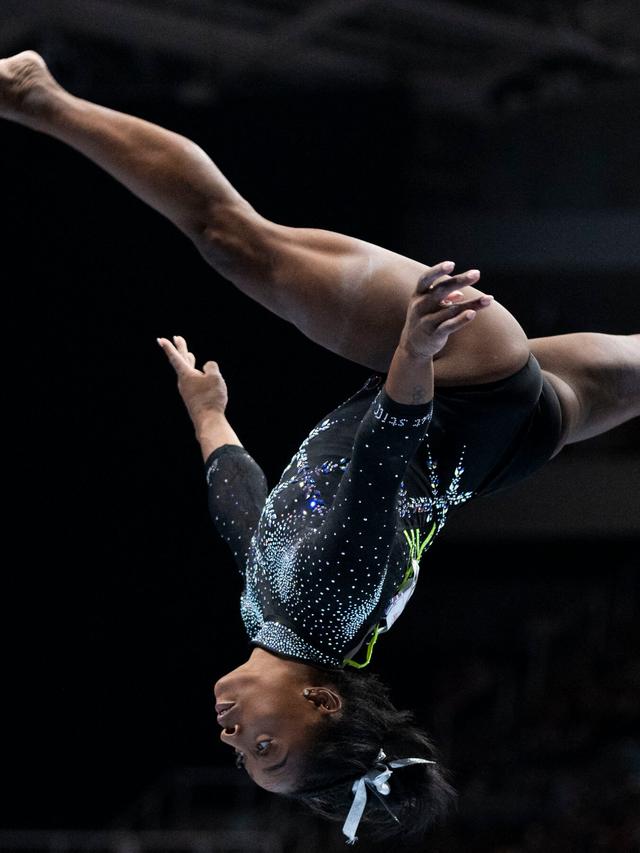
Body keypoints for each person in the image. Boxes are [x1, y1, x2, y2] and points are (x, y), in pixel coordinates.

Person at [2, 50, 638, 845]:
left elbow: (249, 517)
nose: (234, 738)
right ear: (322, 703)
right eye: (268, 745)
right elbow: (377, 465)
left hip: (516, 437)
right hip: (462, 385)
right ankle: (32, 95)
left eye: (245, 758)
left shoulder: (283, 617)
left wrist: (209, 419)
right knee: (235, 241)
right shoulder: (330, 604)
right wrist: (413, 352)